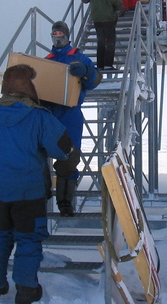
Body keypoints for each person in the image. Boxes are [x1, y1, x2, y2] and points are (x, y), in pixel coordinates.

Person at [0, 64, 80, 304]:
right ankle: (26, 289)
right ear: (29, 86)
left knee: (0, 234)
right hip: (29, 192)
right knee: (28, 238)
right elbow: (65, 149)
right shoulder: (38, 116)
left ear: (5, 86)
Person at [44, 21, 102, 216]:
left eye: (60, 33)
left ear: (68, 36)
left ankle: (65, 203)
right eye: (54, 34)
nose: (57, 37)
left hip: (70, 113)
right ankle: (41, 195)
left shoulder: (78, 57)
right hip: (48, 112)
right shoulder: (47, 60)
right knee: (38, 154)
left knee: (69, 157)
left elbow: (95, 80)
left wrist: (86, 72)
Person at [81, 0, 123, 69]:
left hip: (97, 20)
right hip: (109, 20)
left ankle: (100, 65)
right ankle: (108, 64)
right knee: (110, 42)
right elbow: (119, 6)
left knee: (101, 42)